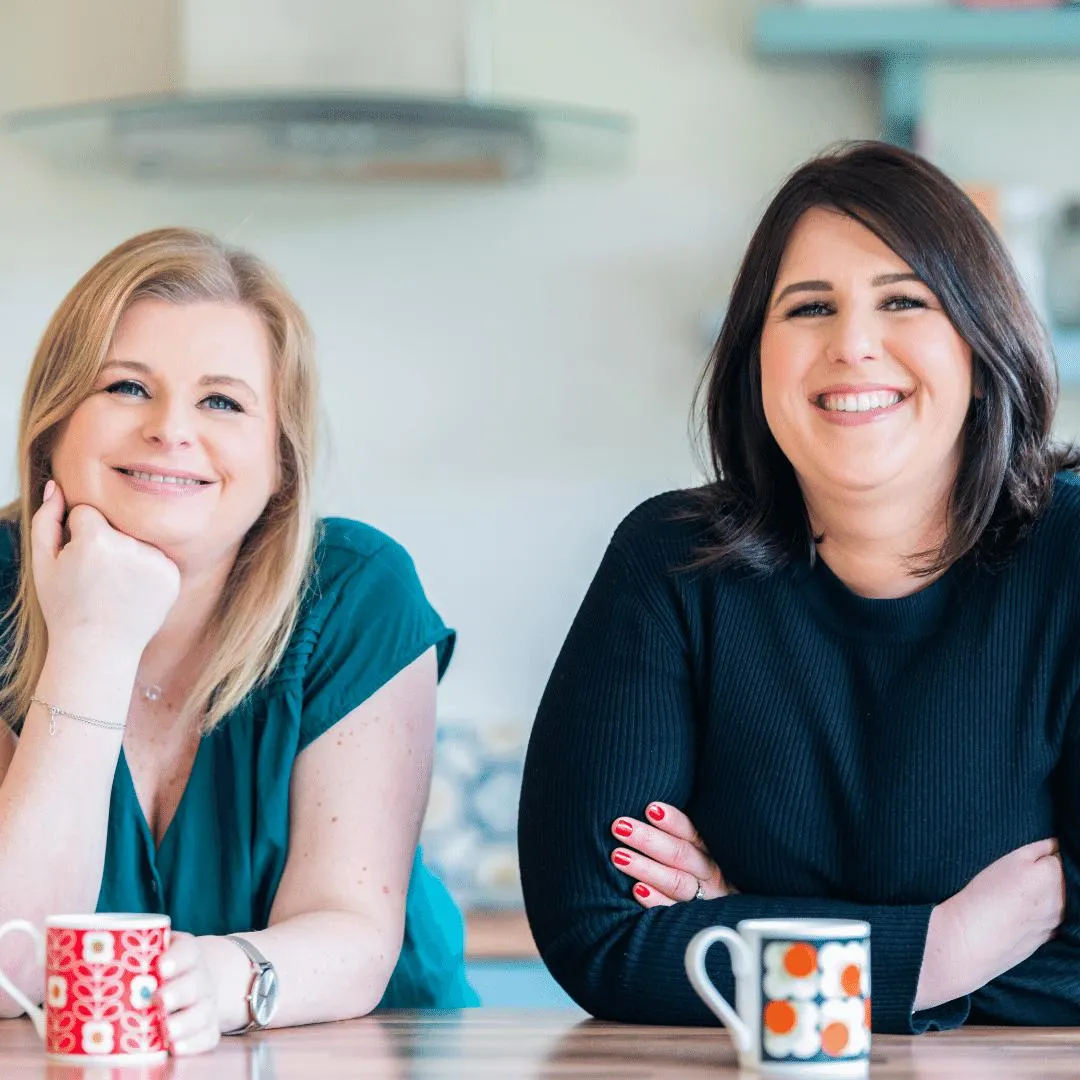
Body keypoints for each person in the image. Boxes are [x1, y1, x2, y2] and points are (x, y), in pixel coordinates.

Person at [518, 141, 1080, 1035]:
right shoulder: (670, 562)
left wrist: (760, 929)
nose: (853, 345)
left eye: (904, 301)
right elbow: (599, 936)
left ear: (981, 345)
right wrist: (944, 948)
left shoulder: (1072, 557)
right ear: (757, 362)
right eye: (809, 307)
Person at [0, 227, 476, 1055]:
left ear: (279, 461)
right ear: (53, 427)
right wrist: (94, 642)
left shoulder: (358, 589)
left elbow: (353, 930)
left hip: (367, 1058)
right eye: (125, 387)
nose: (170, 431)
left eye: (221, 401)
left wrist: (217, 980)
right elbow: (12, 970)